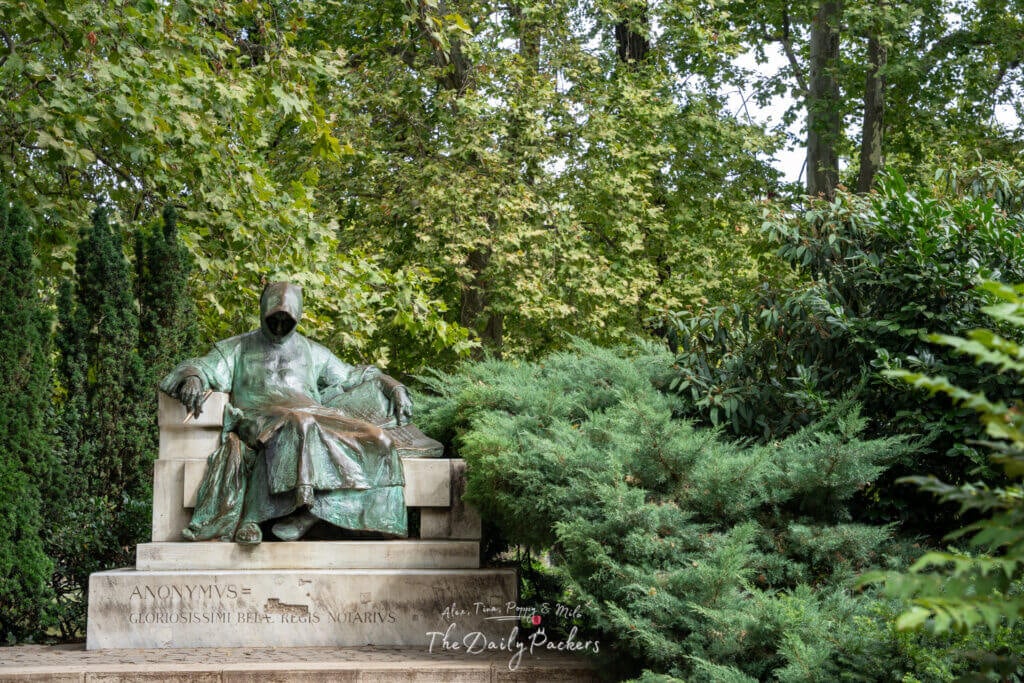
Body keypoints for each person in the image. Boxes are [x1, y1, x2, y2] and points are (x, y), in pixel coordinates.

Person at [160, 282, 413, 544]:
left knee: (378, 438)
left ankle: (312, 515)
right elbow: (201, 366)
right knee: (299, 423)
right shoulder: (236, 348)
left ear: (298, 316)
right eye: (274, 318)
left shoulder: (314, 352)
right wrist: (192, 378)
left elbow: (354, 375)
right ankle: (271, 514)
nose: (280, 325)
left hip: (312, 414)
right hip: (258, 417)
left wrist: (393, 386)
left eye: (287, 319)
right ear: (262, 312)